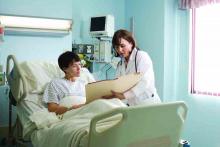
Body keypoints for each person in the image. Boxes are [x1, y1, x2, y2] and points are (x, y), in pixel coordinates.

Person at [103, 29, 161, 106]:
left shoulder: (141, 56)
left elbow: (145, 82)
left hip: (148, 103)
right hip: (133, 105)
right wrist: (111, 95)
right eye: (117, 47)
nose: (119, 50)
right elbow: (118, 84)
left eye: (122, 46)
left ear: (131, 43)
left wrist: (123, 96)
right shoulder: (120, 64)